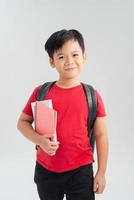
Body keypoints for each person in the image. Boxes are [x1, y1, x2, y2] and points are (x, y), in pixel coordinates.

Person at [17, 29, 109, 200]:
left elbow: (101, 135)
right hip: (46, 171)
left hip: (81, 171)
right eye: (61, 57)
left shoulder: (92, 96)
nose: (69, 61)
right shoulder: (41, 92)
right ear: (52, 62)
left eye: (75, 54)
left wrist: (101, 173)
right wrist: (40, 141)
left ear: (84, 56)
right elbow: (22, 122)